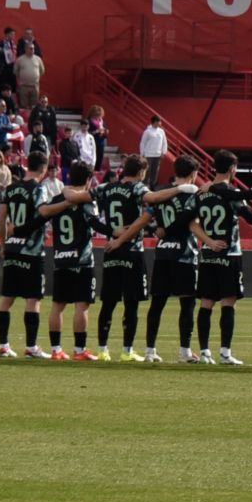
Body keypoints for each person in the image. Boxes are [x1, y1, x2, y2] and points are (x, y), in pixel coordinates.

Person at [0, 153, 70, 359]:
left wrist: (3, 243)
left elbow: (1, 219)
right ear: (44, 169)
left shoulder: (10, 189)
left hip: (12, 248)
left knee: (7, 298)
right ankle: (31, 346)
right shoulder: (39, 189)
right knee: (33, 299)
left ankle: (3, 345)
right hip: (32, 250)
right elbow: (43, 212)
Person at [92, 155, 166, 362]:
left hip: (111, 250)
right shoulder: (138, 189)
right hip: (132, 251)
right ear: (142, 172)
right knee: (131, 302)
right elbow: (154, 200)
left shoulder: (105, 188)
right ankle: (127, 350)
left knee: (108, 302)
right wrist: (179, 189)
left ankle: (102, 349)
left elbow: (85, 206)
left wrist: (111, 231)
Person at [190, 150, 252, 365]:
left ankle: (205, 352)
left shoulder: (201, 192)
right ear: (232, 168)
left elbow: (191, 223)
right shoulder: (231, 191)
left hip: (208, 254)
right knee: (229, 302)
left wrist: (207, 241)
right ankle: (225, 353)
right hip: (230, 253)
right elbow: (249, 217)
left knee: (206, 303)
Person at [141, 156, 205, 364]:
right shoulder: (192, 194)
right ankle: (184, 352)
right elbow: (187, 221)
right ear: (194, 174)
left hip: (163, 253)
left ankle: (150, 351)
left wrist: (160, 230)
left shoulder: (161, 191)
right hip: (184, 254)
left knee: (157, 303)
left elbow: (150, 208)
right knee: (187, 303)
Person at [45, 161, 110, 360]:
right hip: (82, 260)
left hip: (61, 258)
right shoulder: (87, 200)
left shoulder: (57, 198)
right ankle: (79, 350)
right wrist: (113, 233)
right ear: (89, 180)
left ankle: (56, 350)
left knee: (58, 305)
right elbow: (94, 223)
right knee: (82, 305)